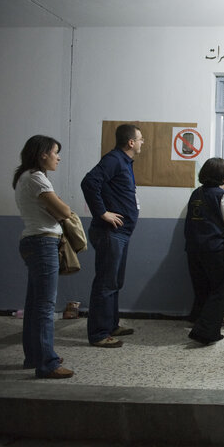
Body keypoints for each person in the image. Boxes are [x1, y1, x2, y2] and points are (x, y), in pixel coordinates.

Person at [13, 135, 74, 379]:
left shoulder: (24, 177)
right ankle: (47, 363)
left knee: (35, 304)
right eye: (55, 152)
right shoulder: (36, 178)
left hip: (33, 242)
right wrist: (62, 207)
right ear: (42, 154)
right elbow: (64, 211)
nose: (58, 157)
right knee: (45, 307)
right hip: (42, 243)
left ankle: (34, 356)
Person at [81, 123, 143, 348]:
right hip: (110, 232)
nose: (142, 142)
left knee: (115, 281)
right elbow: (89, 182)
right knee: (106, 283)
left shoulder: (124, 162)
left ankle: (111, 324)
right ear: (131, 142)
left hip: (122, 232)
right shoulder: (114, 159)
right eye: (140, 139)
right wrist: (102, 213)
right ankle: (98, 334)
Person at [185, 158, 224, 345]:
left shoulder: (195, 193)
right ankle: (206, 331)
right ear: (222, 176)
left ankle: (198, 319)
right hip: (214, 248)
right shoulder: (222, 195)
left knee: (202, 288)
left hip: (193, 247)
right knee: (220, 288)